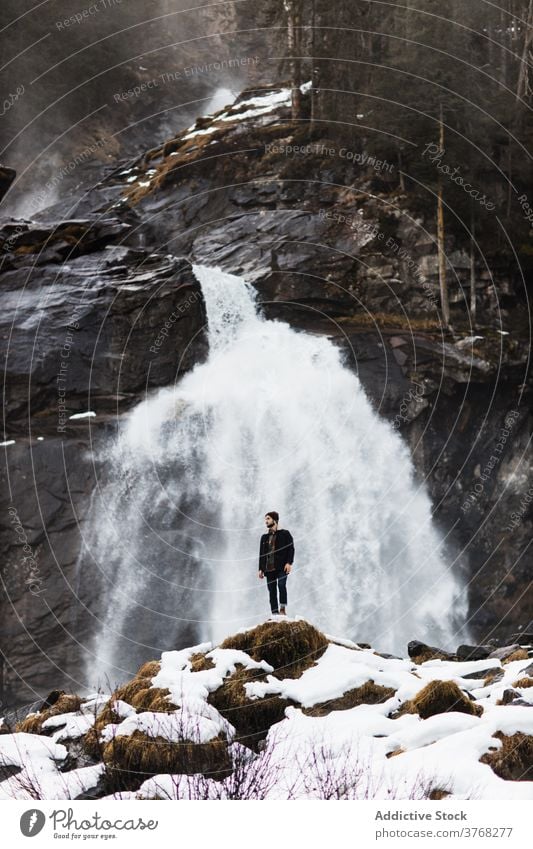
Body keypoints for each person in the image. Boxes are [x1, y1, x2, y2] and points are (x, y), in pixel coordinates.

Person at [258, 511, 294, 616]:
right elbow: (261, 554)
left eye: (268, 518)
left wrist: (289, 563)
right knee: (272, 591)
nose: (266, 521)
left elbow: (291, 549)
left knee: (282, 585)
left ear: (275, 520)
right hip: (268, 569)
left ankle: (282, 609)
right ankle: (274, 613)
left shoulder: (285, 533)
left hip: (281, 567)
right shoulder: (264, 537)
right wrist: (260, 569)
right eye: (265, 519)